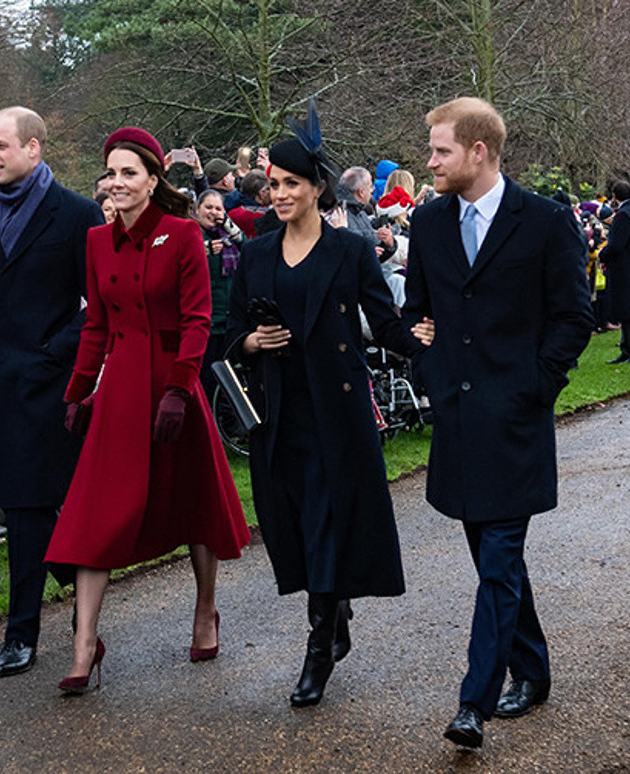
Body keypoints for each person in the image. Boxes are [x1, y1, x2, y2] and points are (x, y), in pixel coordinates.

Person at [402, 97, 593, 749]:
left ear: (478, 152)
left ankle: (473, 701)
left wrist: (535, 388)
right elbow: (414, 316)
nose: (430, 162)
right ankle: (534, 670)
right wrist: (426, 368)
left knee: (500, 559)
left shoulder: (543, 221)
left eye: (440, 151)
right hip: (457, 425)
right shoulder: (426, 225)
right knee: (496, 564)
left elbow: (574, 315)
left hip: (515, 425)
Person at [227, 105, 433, 708]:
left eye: (292, 183)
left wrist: (421, 336)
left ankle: (318, 647)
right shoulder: (258, 252)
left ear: (317, 187)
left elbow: (382, 318)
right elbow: (230, 330)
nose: (281, 193)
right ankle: (334, 608)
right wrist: (249, 340)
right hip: (279, 410)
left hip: (337, 411)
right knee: (294, 520)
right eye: (274, 184)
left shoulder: (348, 249)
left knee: (324, 517)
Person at [44, 127, 250, 694]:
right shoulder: (95, 241)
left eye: (129, 172)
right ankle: (85, 644)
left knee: (195, 500)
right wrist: (77, 392)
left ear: (154, 179)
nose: (116, 183)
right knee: (93, 511)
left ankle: (206, 608)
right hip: (120, 391)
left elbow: (197, 320)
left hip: (172, 387)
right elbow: (96, 326)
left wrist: (181, 391)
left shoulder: (182, 235)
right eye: (110, 173)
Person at [0, 106, 104, 679]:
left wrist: (50, 353)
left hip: (48, 387)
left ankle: (22, 635)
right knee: (23, 506)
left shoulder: (77, 214)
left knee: (27, 506)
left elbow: (97, 303)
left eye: (1, 145)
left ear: (34, 148)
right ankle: (84, 605)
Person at [195, 189, 244, 399]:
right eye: (208, 207)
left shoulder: (230, 237)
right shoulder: (192, 236)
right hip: (205, 320)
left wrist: (228, 225)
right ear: (197, 210)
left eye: (218, 208)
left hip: (228, 318)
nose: (213, 212)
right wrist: (201, 252)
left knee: (229, 377)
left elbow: (248, 250)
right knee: (205, 376)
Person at [599, 180, 630, 363]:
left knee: (629, 309)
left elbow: (616, 245)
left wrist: (603, 255)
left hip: (625, 268)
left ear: (615, 196)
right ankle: (628, 348)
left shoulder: (624, 215)